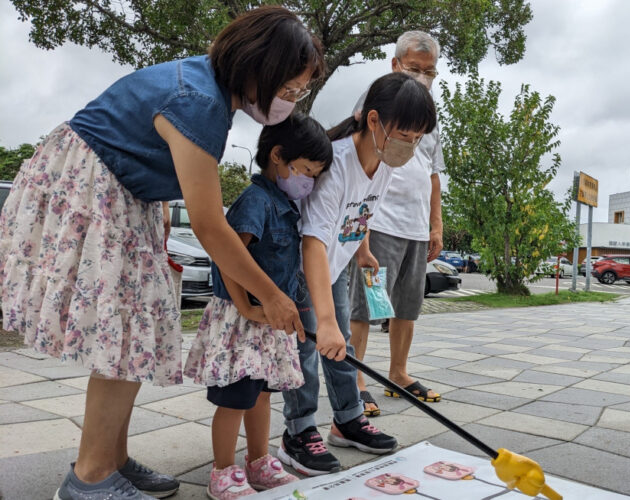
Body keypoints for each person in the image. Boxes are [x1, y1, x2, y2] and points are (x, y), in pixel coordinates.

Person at [0, 7, 324, 499]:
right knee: (122, 335)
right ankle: (88, 479)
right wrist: (273, 297)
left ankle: (111, 459)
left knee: (132, 332)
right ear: (260, 68)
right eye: (289, 89)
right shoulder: (199, 101)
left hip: (126, 194)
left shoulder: (208, 90)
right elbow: (211, 227)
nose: (290, 101)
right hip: (97, 188)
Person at [278, 72, 437, 476]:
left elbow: (362, 212)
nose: (410, 146)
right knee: (309, 349)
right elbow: (312, 242)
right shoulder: (336, 163)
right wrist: (325, 319)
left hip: (337, 264)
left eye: (418, 139)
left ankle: (347, 421)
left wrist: (363, 251)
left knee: (342, 346)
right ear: (373, 121)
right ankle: (298, 433)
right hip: (303, 272)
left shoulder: (384, 163)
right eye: (404, 134)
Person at [183, 114, 332, 499]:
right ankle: (222, 472)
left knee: (263, 392)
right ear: (278, 156)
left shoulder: (285, 204)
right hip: (241, 318)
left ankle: (258, 460)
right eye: (307, 170)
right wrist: (246, 308)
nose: (309, 181)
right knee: (235, 396)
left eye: (316, 174)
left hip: (269, 320)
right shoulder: (256, 202)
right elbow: (226, 256)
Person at [348, 31, 445, 417]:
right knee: (365, 307)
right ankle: (356, 380)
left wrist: (435, 225)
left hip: (416, 228)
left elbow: (434, 173)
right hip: (380, 222)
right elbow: (358, 162)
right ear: (396, 65)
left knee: (408, 305)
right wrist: (363, 228)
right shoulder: (379, 99)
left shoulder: (430, 114)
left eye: (430, 71)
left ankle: (398, 373)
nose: (422, 76)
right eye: (414, 68)